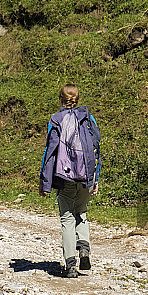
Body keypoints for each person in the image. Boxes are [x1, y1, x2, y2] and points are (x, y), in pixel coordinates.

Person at [38, 84, 102, 278]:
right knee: (81, 213)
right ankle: (84, 249)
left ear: (60, 98)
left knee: (67, 218)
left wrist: (44, 180)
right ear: (77, 99)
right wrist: (96, 177)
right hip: (86, 176)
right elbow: (96, 148)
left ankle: (71, 265)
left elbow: (50, 150)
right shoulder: (88, 118)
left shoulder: (56, 120)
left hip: (65, 176)